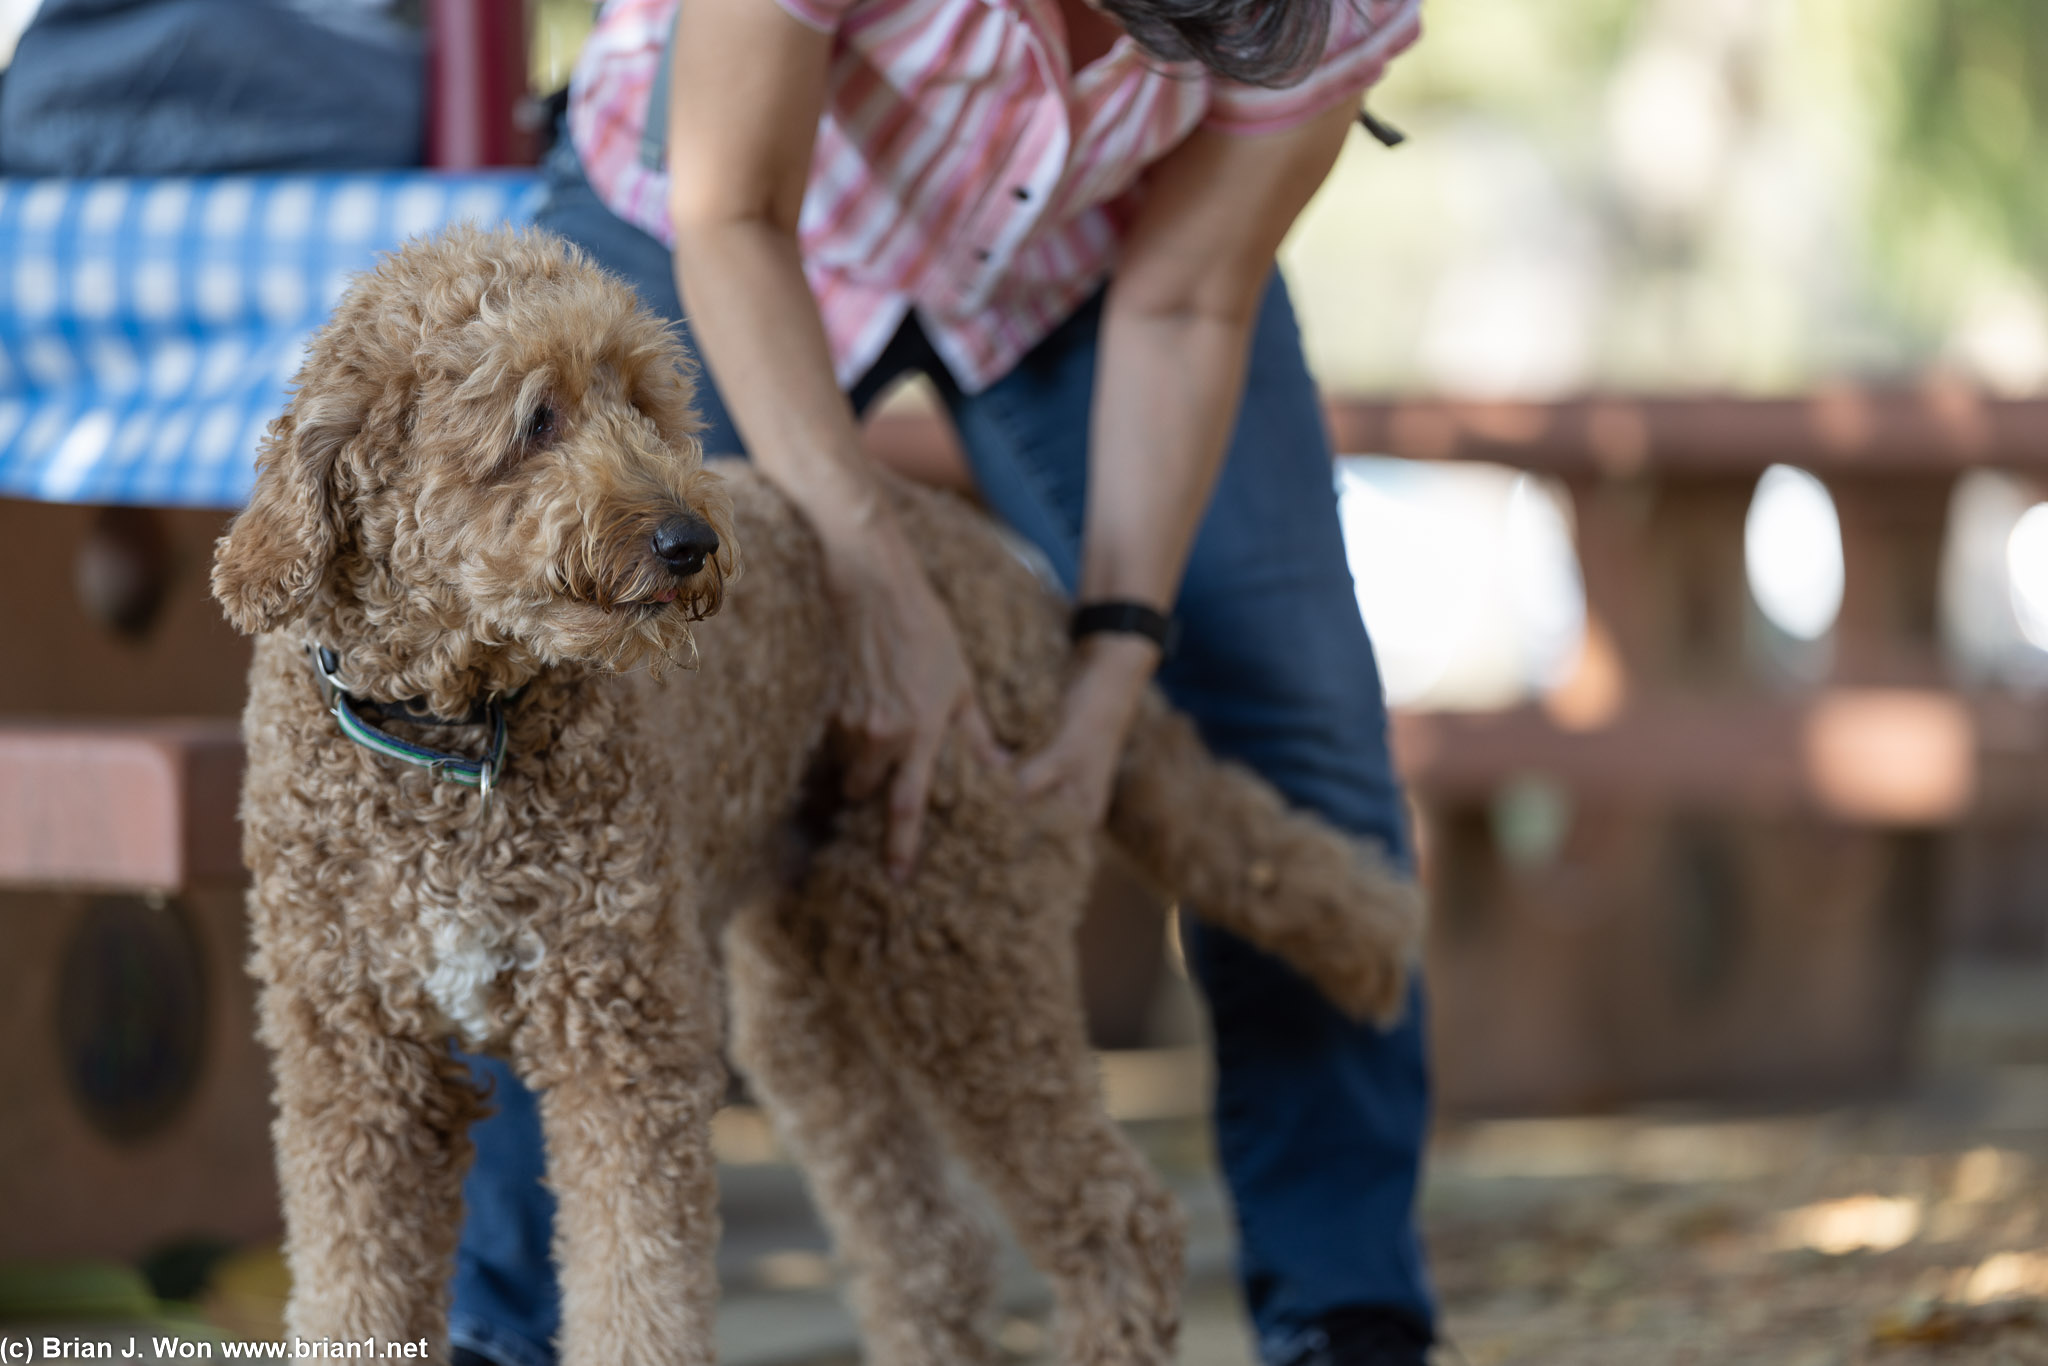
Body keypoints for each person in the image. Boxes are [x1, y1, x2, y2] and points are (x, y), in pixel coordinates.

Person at [450, 0, 1432, 1361]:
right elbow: (736, 211)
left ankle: (1350, 1311)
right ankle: (492, 1328)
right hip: (705, 207)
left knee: (1289, 707)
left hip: (1077, 264)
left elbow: (1189, 297)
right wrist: (870, 574)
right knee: (526, 704)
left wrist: (1118, 653)